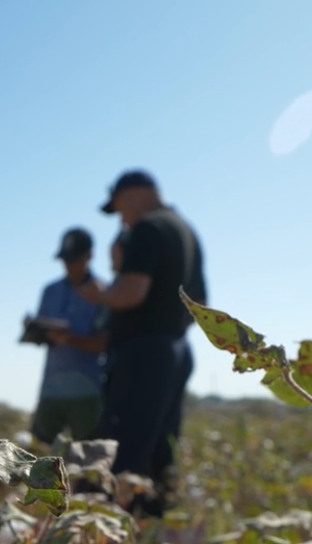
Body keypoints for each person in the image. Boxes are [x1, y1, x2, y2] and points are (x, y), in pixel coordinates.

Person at [68, 170, 207, 517]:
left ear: (131, 196)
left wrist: (101, 295)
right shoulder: (185, 229)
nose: (122, 220)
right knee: (158, 445)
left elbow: (132, 292)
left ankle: (99, 524)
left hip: (143, 351)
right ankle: (152, 524)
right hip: (176, 348)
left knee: (119, 446)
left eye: (119, 209)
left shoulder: (147, 228)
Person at [27, 227, 109, 448]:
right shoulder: (50, 291)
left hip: (88, 393)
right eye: (65, 259)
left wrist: (71, 339)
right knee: (40, 458)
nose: (69, 265)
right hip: (51, 390)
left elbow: (106, 344)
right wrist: (35, 331)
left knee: (89, 467)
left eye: (74, 259)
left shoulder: (103, 292)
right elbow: (40, 337)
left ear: (89, 256)